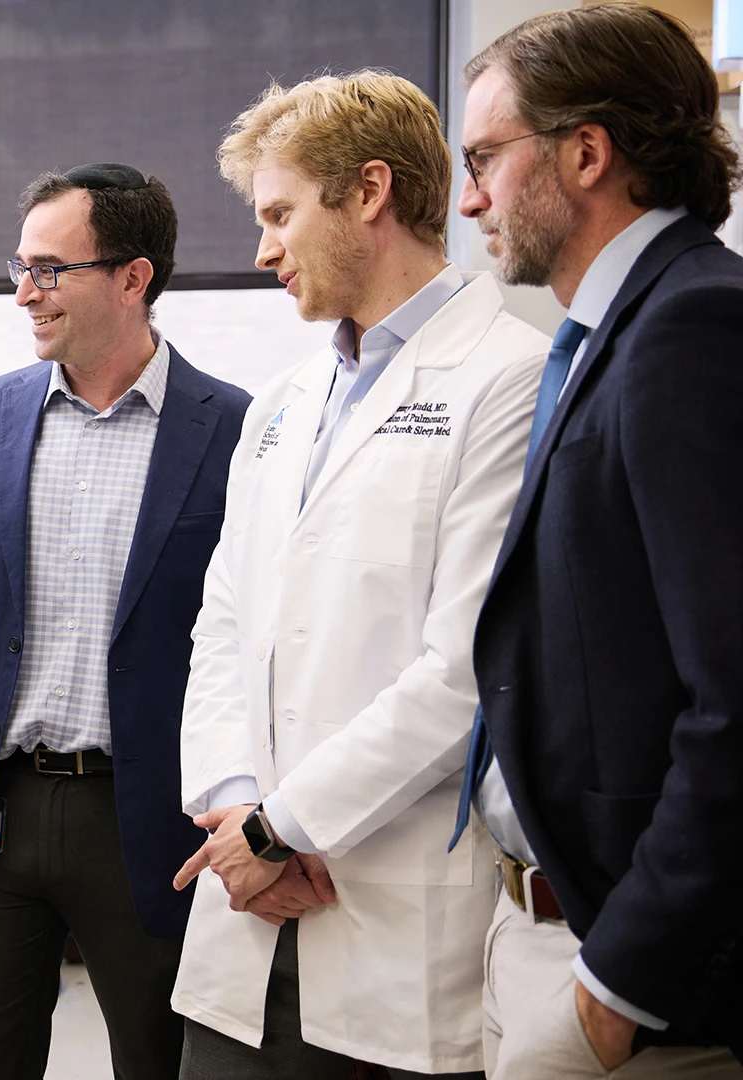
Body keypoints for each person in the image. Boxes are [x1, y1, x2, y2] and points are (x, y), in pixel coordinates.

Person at [170, 71, 548, 1078]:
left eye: (282, 214)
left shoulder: (511, 380)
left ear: (369, 192)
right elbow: (223, 622)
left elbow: (463, 670)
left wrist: (283, 825)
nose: (263, 250)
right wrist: (235, 807)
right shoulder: (282, 404)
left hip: (388, 907)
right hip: (246, 896)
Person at [0, 164, 250, 1080]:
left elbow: (253, 639)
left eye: (49, 269)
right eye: (20, 267)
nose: (25, 294)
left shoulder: (236, 428)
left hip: (152, 816)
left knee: (162, 1061)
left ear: (133, 277)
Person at [452, 5, 743, 1075]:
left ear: (585, 153)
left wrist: (622, 977)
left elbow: (734, 698)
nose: (472, 198)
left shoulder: (690, 330)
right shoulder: (595, 341)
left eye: (486, 158)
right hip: (537, 927)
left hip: (630, 970)